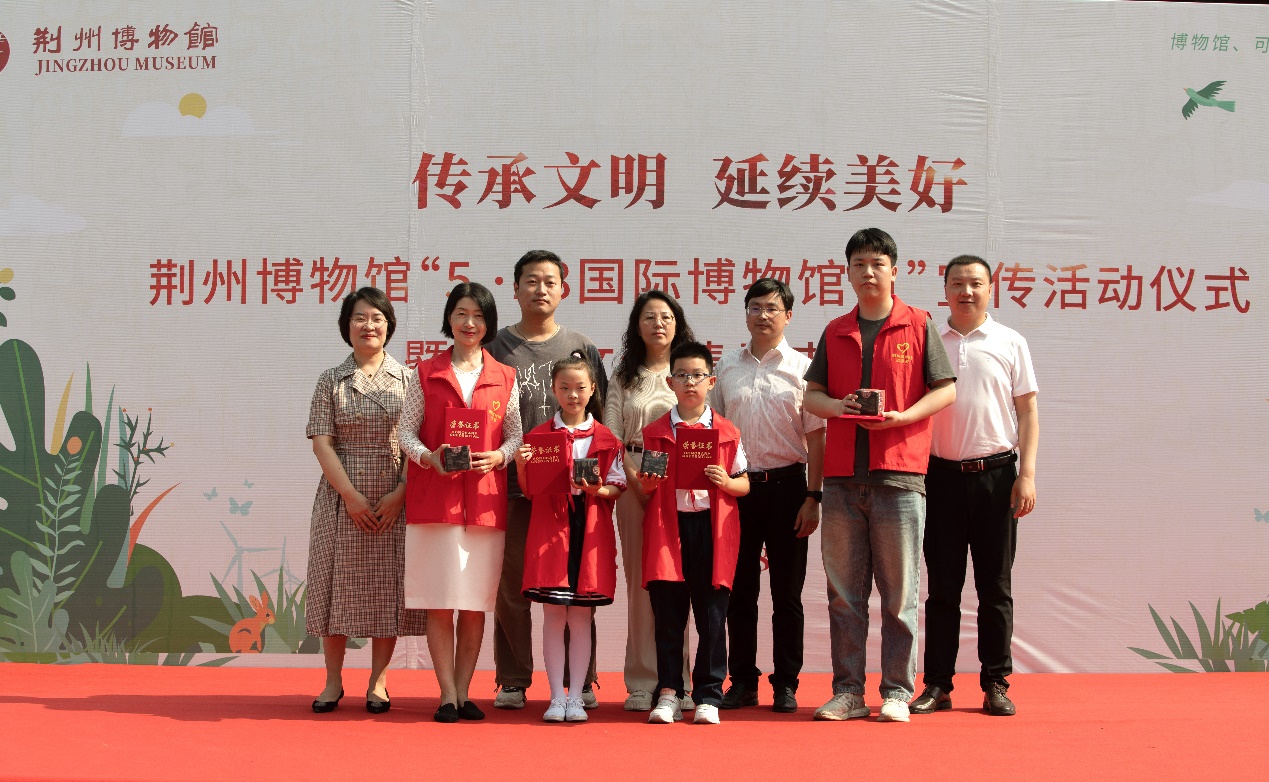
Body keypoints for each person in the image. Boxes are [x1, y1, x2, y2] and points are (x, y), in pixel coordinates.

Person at [802, 228, 956, 723]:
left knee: (900, 594)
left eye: (877, 264)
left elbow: (946, 390)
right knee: (844, 596)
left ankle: (896, 692)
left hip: (900, 476)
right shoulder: (835, 330)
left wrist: (904, 417)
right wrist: (839, 407)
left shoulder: (919, 324)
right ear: (847, 272)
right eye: (859, 265)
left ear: (894, 270)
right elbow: (812, 396)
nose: (868, 273)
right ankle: (848, 691)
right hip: (842, 478)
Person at [911, 255, 1038, 718]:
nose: (966, 292)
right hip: (939, 477)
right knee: (942, 589)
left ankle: (995, 682)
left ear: (990, 289)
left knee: (995, 588)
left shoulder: (1010, 341)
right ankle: (937, 684)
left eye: (975, 284)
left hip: (997, 477)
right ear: (945, 289)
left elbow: (1027, 411)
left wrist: (1027, 474)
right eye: (958, 284)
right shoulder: (927, 340)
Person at [487, 250, 608, 710]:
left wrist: (597, 476)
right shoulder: (495, 348)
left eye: (550, 281)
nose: (541, 289)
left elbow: (602, 416)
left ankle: (581, 681)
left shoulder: (580, 346)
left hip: (574, 495)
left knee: (577, 588)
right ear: (515, 288)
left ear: (564, 289)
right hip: (514, 488)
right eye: (531, 281)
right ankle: (513, 679)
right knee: (512, 588)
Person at [398, 282, 523, 723]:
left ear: (489, 323)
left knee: (473, 603)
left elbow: (515, 435)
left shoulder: (504, 376)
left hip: (485, 506)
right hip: (436, 504)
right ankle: (446, 694)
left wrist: (500, 456)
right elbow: (405, 431)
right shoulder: (425, 372)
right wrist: (428, 457)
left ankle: (466, 691)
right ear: (449, 319)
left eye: (479, 316)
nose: (470, 323)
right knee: (439, 601)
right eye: (462, 314)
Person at [306, 287, 427, 715]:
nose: (368, 325)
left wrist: (401, 492)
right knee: (335, 585)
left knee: (386, 589)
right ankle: (332, 680)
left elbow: (418, 441)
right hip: (341, 495)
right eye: (359, 318)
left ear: (389, 326)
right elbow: (322, 443)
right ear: (347, 326)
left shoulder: (410, 379)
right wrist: (351, 497)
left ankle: (379, 681)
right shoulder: (330, 379)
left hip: (393, 490)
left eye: (377, 318)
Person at [710, 278, 825, 714]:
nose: (763, 315)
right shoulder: (726, 367)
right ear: (745, 314)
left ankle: (786, 683)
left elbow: (817, 438)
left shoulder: (803, 369)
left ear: (788, 316)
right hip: (738, 491)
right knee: (740, 592)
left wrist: (813, 496)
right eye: (755, 307)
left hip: (789, 489)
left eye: (772, 308)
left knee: (787, 595)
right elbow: (714, 431)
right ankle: (742, 681)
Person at [638, 341, 750, 725]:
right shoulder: (656, 432)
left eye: (697, 375)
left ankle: (708, 694)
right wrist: (649, 481)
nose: (690, 382)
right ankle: (669, 691)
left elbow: (744, 483)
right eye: (682, 375)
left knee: (712, 616)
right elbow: (646, 487)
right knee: (668, 615)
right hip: (669, 528)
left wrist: (725, 482)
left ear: (711, 381)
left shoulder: (726, 432)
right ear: (670, 382)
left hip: (711, 529)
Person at [518, 354, 625, 722]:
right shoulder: (538, 437)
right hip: (551, 530)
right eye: (564, 387)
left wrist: (597, 490)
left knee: (580, 616)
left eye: (580, 387)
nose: (573, 395)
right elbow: (529, 491)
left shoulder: (607, 439)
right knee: (552, 614)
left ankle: (576, 696)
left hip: (589, 527)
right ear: (553, 389)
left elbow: (617, 487)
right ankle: (554, 697)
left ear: (593, 389)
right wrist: (522, 465)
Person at [604, 290, 696, 713]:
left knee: (679, 582)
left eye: (666, 317)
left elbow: (703, 427)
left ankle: (681, 681)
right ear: (636, 327)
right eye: (649, 317)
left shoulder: (688, 372)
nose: (658, 324)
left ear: (677, 324)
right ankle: (642, 681)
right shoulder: (624, 377)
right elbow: (611, 436)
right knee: (642, 583)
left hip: (682, 482)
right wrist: (635, 478)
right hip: (633, 480)